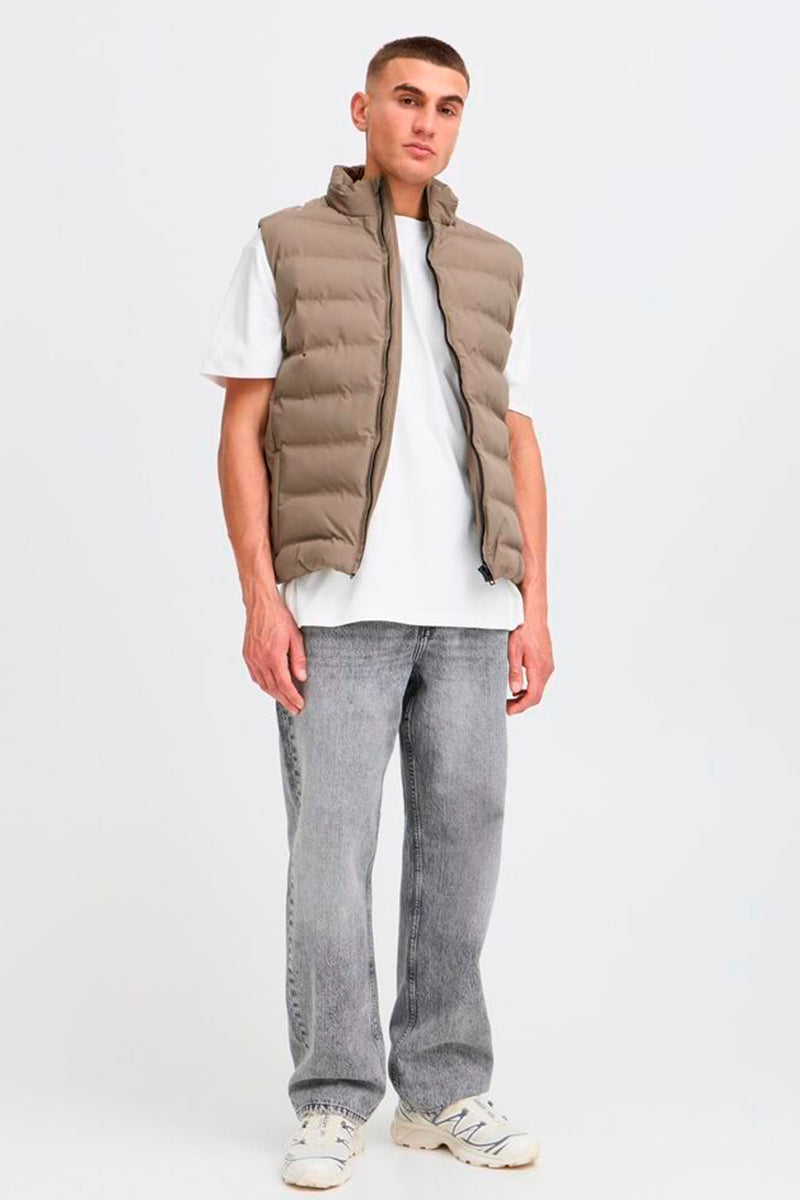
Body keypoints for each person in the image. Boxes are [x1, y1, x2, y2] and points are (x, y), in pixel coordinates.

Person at [199, 34, 554, 1190]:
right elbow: (241, 431)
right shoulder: (284, 243)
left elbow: (519, 440)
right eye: (407, 98)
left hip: (471, 610)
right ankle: (331, 1098)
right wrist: (261, 598)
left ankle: (441, 1091)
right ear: (362, 108)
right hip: (336, 608)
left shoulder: (494, 262)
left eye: (447, 106)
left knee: (461, 850)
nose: (425, 122)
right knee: (329, 858)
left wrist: (533, 605)